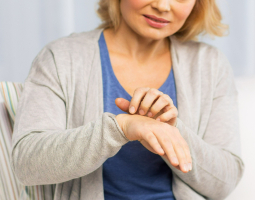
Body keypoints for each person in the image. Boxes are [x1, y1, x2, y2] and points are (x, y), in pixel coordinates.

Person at [10, 0, 244, 199]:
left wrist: (169, 131)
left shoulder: (209, 64)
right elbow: (26, 165)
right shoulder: (61, 58)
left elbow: (223, 182)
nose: (163, 6)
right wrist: (119, 129)